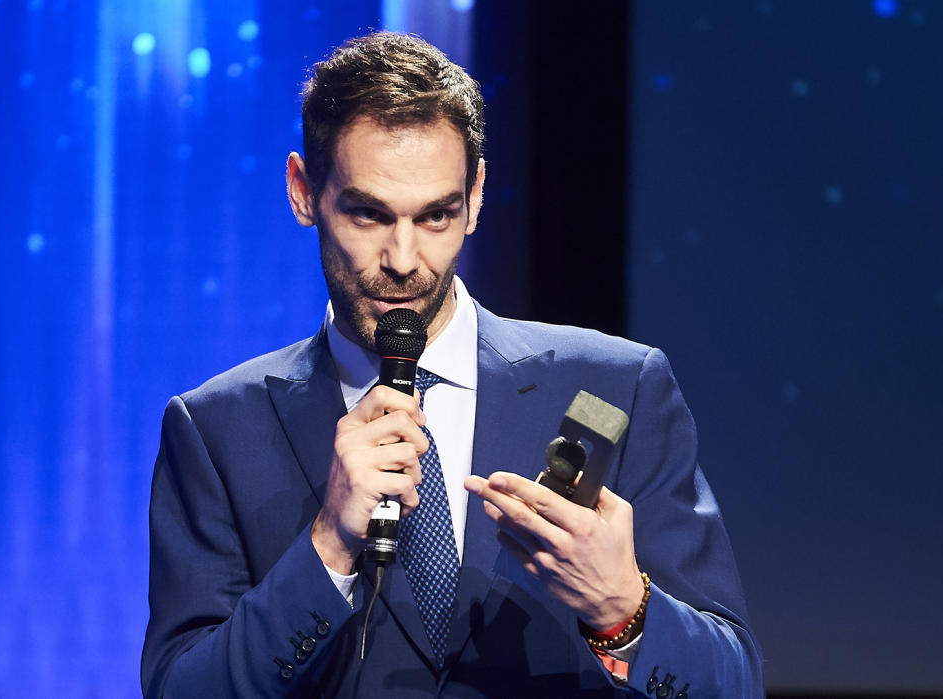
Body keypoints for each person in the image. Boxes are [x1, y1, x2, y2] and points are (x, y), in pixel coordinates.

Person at [142, 31, 763, 698]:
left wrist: (620, 608)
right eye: (369, 214)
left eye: (436, 215)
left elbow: (734, 683)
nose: (405, 259)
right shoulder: (215, 431)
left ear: (476, 194)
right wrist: (327, 546)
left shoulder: (618, 386)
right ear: (303, 192)